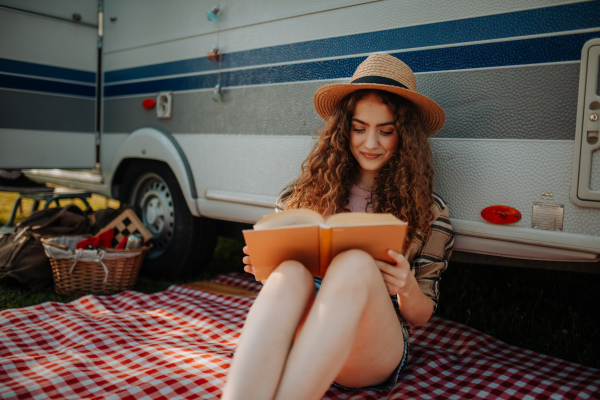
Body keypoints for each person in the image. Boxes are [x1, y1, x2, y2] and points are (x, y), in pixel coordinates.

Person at [221, 53, 454, 400]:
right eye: (359, 128)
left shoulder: (428, 210)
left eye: (385, 131)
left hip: (372, 347)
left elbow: (421, 316)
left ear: (404, 135)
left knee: (356, 262)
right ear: (343, 129)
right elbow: (282, 292)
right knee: (291, 272)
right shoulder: (301, 195)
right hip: (303, 341)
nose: (370, 143)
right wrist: (265, 269)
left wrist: (406, 286)